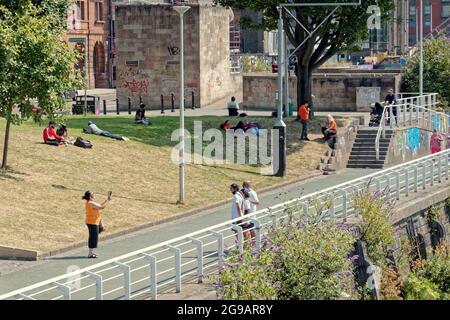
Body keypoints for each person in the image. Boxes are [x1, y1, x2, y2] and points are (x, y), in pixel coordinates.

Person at [82, 190, 112, 258]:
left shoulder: (91, 202)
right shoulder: (90, 203)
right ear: (90, 197)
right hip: (92, 223)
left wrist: (107, 199)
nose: (94, 195)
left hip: (94, 222)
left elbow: (100, 205)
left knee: (94, 236)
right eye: (92, 194)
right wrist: (108, 201)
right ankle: (90, 253)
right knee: (93, 238)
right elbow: (102, 207)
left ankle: (91, 252)